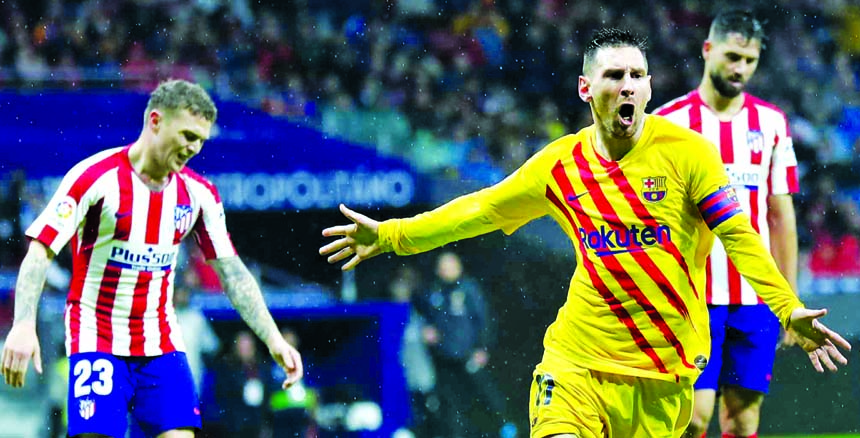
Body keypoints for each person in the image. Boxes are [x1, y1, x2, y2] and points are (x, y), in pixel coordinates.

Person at [319, 28, 851, 438]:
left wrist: (787, 306)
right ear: (585, 88)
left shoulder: (688, 154)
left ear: (648, 87)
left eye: (637, 75)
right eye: (614, 75)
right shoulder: (560, 165)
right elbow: (479, 209)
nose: (627, 85)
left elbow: (739, 237)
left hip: (662, 373)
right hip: (575, 365)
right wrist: (390, 235)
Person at [0, 79, 303, 438]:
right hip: (97, 337)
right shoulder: (95, 178)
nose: (194, 148)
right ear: (155, 121)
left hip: (160, 344)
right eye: (188, 135)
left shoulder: (199, 195)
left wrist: (273, 338)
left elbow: (232, 271)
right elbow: (40, 251)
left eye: (201, 140)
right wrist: (22, 324)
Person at [653, 11, 798, 438]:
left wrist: (789, 302)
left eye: (750, 60)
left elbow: (780, 214)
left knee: (743, 419)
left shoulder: (771, 124)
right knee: (694, 417)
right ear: (708, 50)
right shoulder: (668, 124)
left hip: (755, 298)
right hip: (693, 298)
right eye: (733, 56)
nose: (741, 69)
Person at [416, 251, 513, 438]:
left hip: (468, 354)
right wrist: (427, 330)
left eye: (450, 265)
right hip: (443, 357)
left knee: (485, 395)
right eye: (442, 266)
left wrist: (482, 348)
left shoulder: (468, 289)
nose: (446, 270)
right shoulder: (433, 291)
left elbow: (483, 319)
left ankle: (506, 428)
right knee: (450, 402)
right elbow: (426, 318)